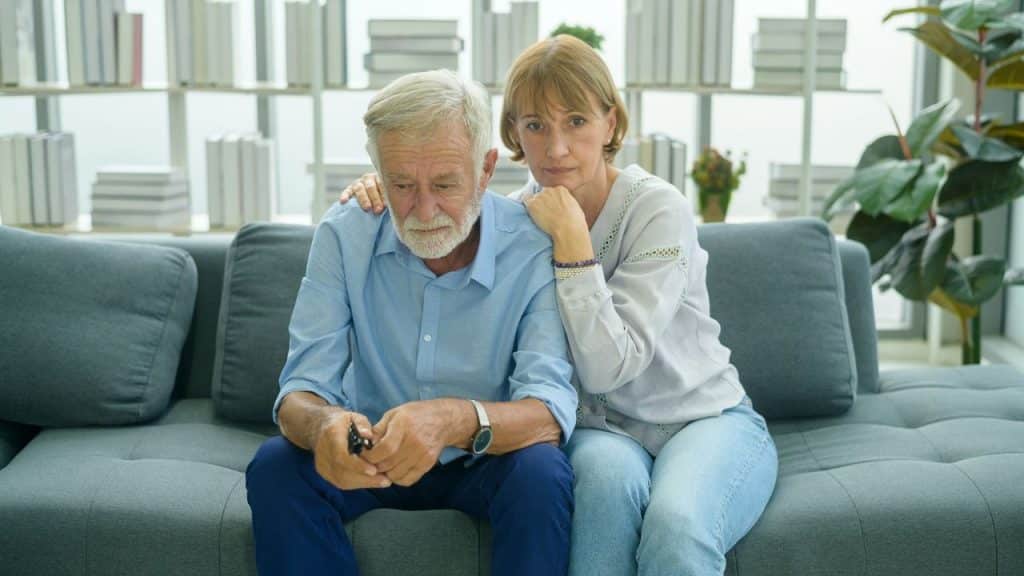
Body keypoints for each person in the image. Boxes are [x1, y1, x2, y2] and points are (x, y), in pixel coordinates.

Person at [337, 36, 779, 576]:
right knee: (598, 520)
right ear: (513, 134)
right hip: (600, 433)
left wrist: (573, 245)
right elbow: (431, 195)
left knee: (677, 526)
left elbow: (609, 366)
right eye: (535, 125)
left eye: (575, 121)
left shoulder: (658, 209)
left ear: (610, 123)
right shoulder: (514, 221)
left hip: (703, 420)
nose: (556, 148)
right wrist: (381, 184)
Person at [246, 69, 578, 576]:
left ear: (486, 169)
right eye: (401, 184)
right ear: (378, 171)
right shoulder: (344, 234)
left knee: (541, 472)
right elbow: (299, 392)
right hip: (370, 456)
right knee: (276, 467)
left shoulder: (531, 245)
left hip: (483, 460)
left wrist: (454, 419)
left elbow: (549, 411)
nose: (424, 210)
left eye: (445, 184)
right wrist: (325, 426)